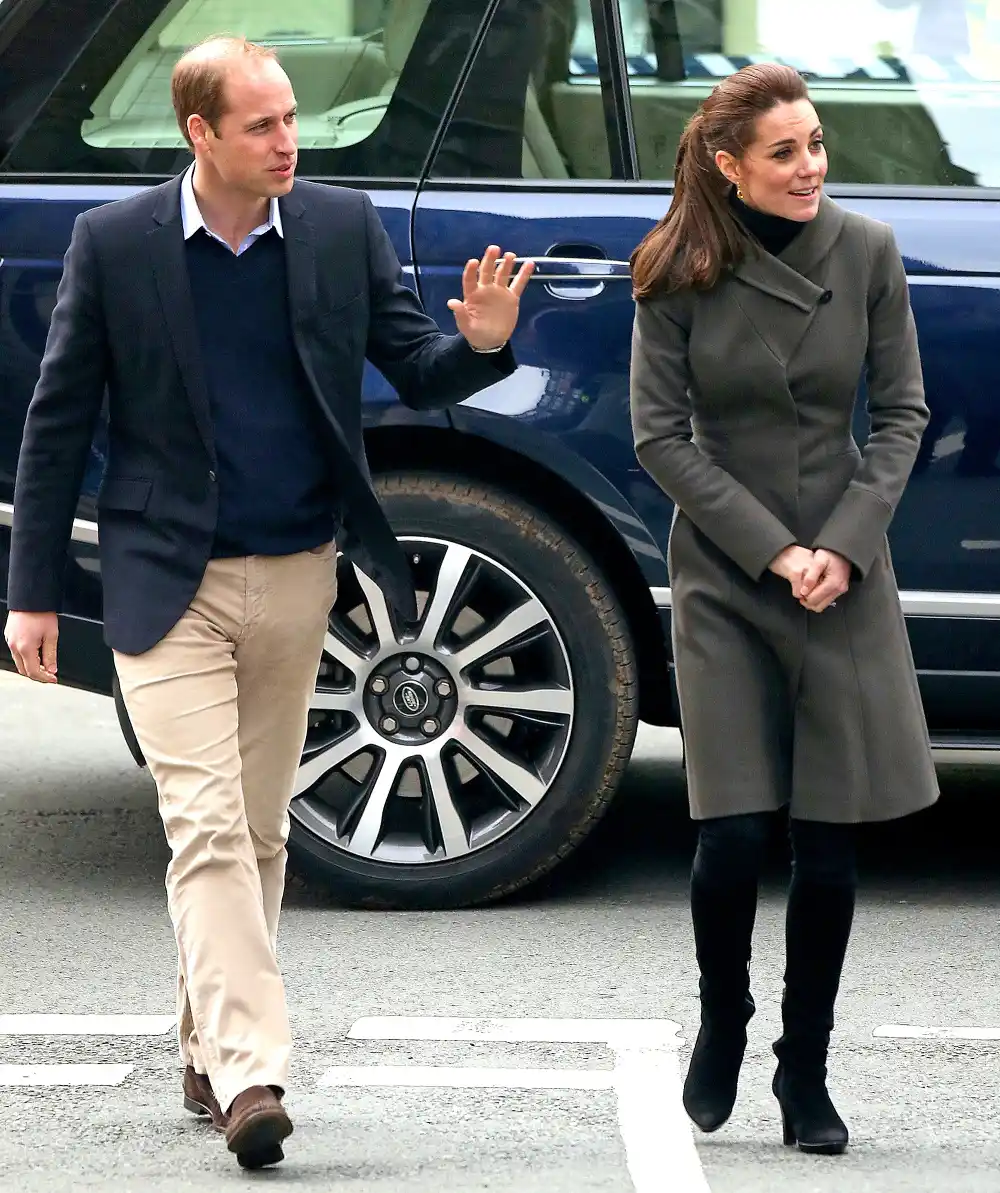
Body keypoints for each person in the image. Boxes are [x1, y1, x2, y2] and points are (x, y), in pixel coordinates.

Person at [3, 35, 533, 1170]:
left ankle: (204, 1036)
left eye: (293, 119)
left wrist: (478, 349)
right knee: (202, 828)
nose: (290, 140)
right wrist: (32, 592)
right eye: (263, 125)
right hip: (164, 579)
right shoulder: (114, 243)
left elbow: (415, 363)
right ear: (201, 134)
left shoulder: (340, 228)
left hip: (298, 571)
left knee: (256, 830)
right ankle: (252, 1072)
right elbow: (54, 427)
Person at [628, 62, 938, 1155]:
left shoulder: (868, 254)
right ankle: (724, 1015)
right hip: (726, 568)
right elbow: (660, 437)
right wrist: (774, 550)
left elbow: (900, 414)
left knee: (829, 841)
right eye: (784, 151)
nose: (810, 167)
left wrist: (841, 548)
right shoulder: (673, 270)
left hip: (842, 569)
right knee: (732, 830)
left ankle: (803, 1064)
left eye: (815, 145)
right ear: (729, 166)